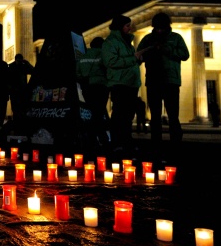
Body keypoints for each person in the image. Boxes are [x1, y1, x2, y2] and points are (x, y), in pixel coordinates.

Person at [137, 12, 189, 147]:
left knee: (173, 115)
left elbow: (185, 55)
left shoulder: (176, 38)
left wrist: (167, 50)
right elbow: (138, 56)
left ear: (167, 26)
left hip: (170, 81)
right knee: (155, 116)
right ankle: (156, 143)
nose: (159, 30)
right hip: (153, 80)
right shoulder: (148, 39)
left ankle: (176, 142)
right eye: (157, 28)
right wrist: (148, 53)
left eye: (162, 28)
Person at [102, 15, 143, 154]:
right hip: (119, 83)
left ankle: (126, 141)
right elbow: (110, 62)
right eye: (127, 25)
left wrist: (138, 60)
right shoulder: (111, 42)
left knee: (128, 115)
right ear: (119, 27)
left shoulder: (127, 42)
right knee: (119, 114)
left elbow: (129, 61)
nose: (130, 27)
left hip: (131, 83)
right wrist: (133, 59)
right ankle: (116, 142)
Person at [76, 37, 110, 146]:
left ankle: (98, 137)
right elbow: (108, 69)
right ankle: (96, 137)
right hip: (100, 87)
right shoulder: (103, 55)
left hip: (87, 88)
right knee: (98, 113)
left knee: (95, 112)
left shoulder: (83, 57)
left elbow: (77, 73)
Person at [8, 53, 35, 135]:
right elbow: (7, 79)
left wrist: (27, 63)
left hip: (22, 92)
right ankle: (17, 127)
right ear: (16, 59)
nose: (19, 62)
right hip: (14, 92)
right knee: (16, 110)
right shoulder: (11, 67)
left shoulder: (24, 66)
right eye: (19, 60)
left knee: (22, 110)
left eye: (21, 60)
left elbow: (33, 71)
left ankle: (22, 126)